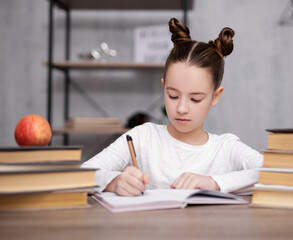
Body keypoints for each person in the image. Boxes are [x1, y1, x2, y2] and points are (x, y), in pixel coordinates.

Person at [82, 18, 263, 196]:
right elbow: (83, 174)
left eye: (195, 99)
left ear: (215, 96)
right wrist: (115, 182)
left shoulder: (226, 148)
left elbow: (277, 172)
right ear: (164, 88)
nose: (181, 108)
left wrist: (215, 183)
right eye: (173, 96)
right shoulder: (142, 137)